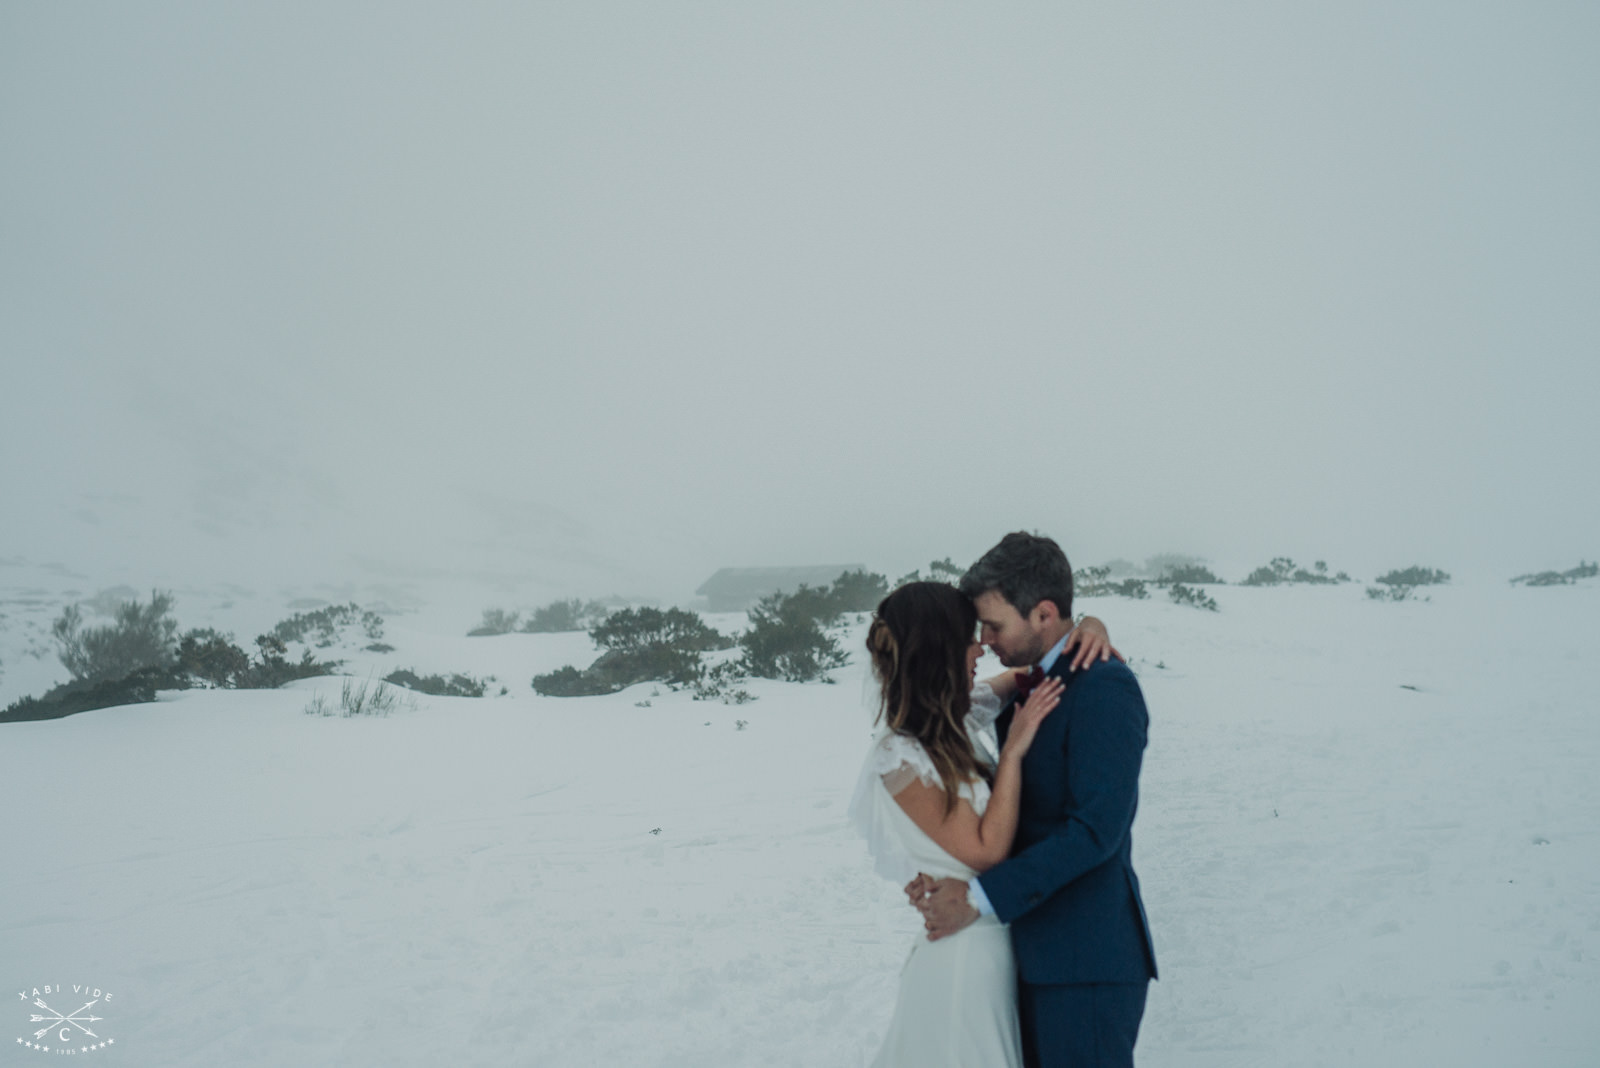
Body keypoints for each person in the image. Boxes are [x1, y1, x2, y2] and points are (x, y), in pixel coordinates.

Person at [848, 581, 1118, 1067]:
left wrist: (1089, 627)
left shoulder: (958, 714)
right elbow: (988, 850)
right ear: (941, 650)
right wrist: (1012, 752)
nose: (982, 647)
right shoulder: (900, 756)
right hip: (961, 957)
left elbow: (1033, 670)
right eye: (971, 638)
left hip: (991, 942)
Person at [913, 532, 1158, 1068]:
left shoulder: (1105, 688)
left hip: (1084, 962)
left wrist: (977, 898)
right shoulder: (1032, 684)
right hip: (1026, 953)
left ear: (1044, 613)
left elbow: (1095, 831)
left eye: (995, 625)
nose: (986, 638)